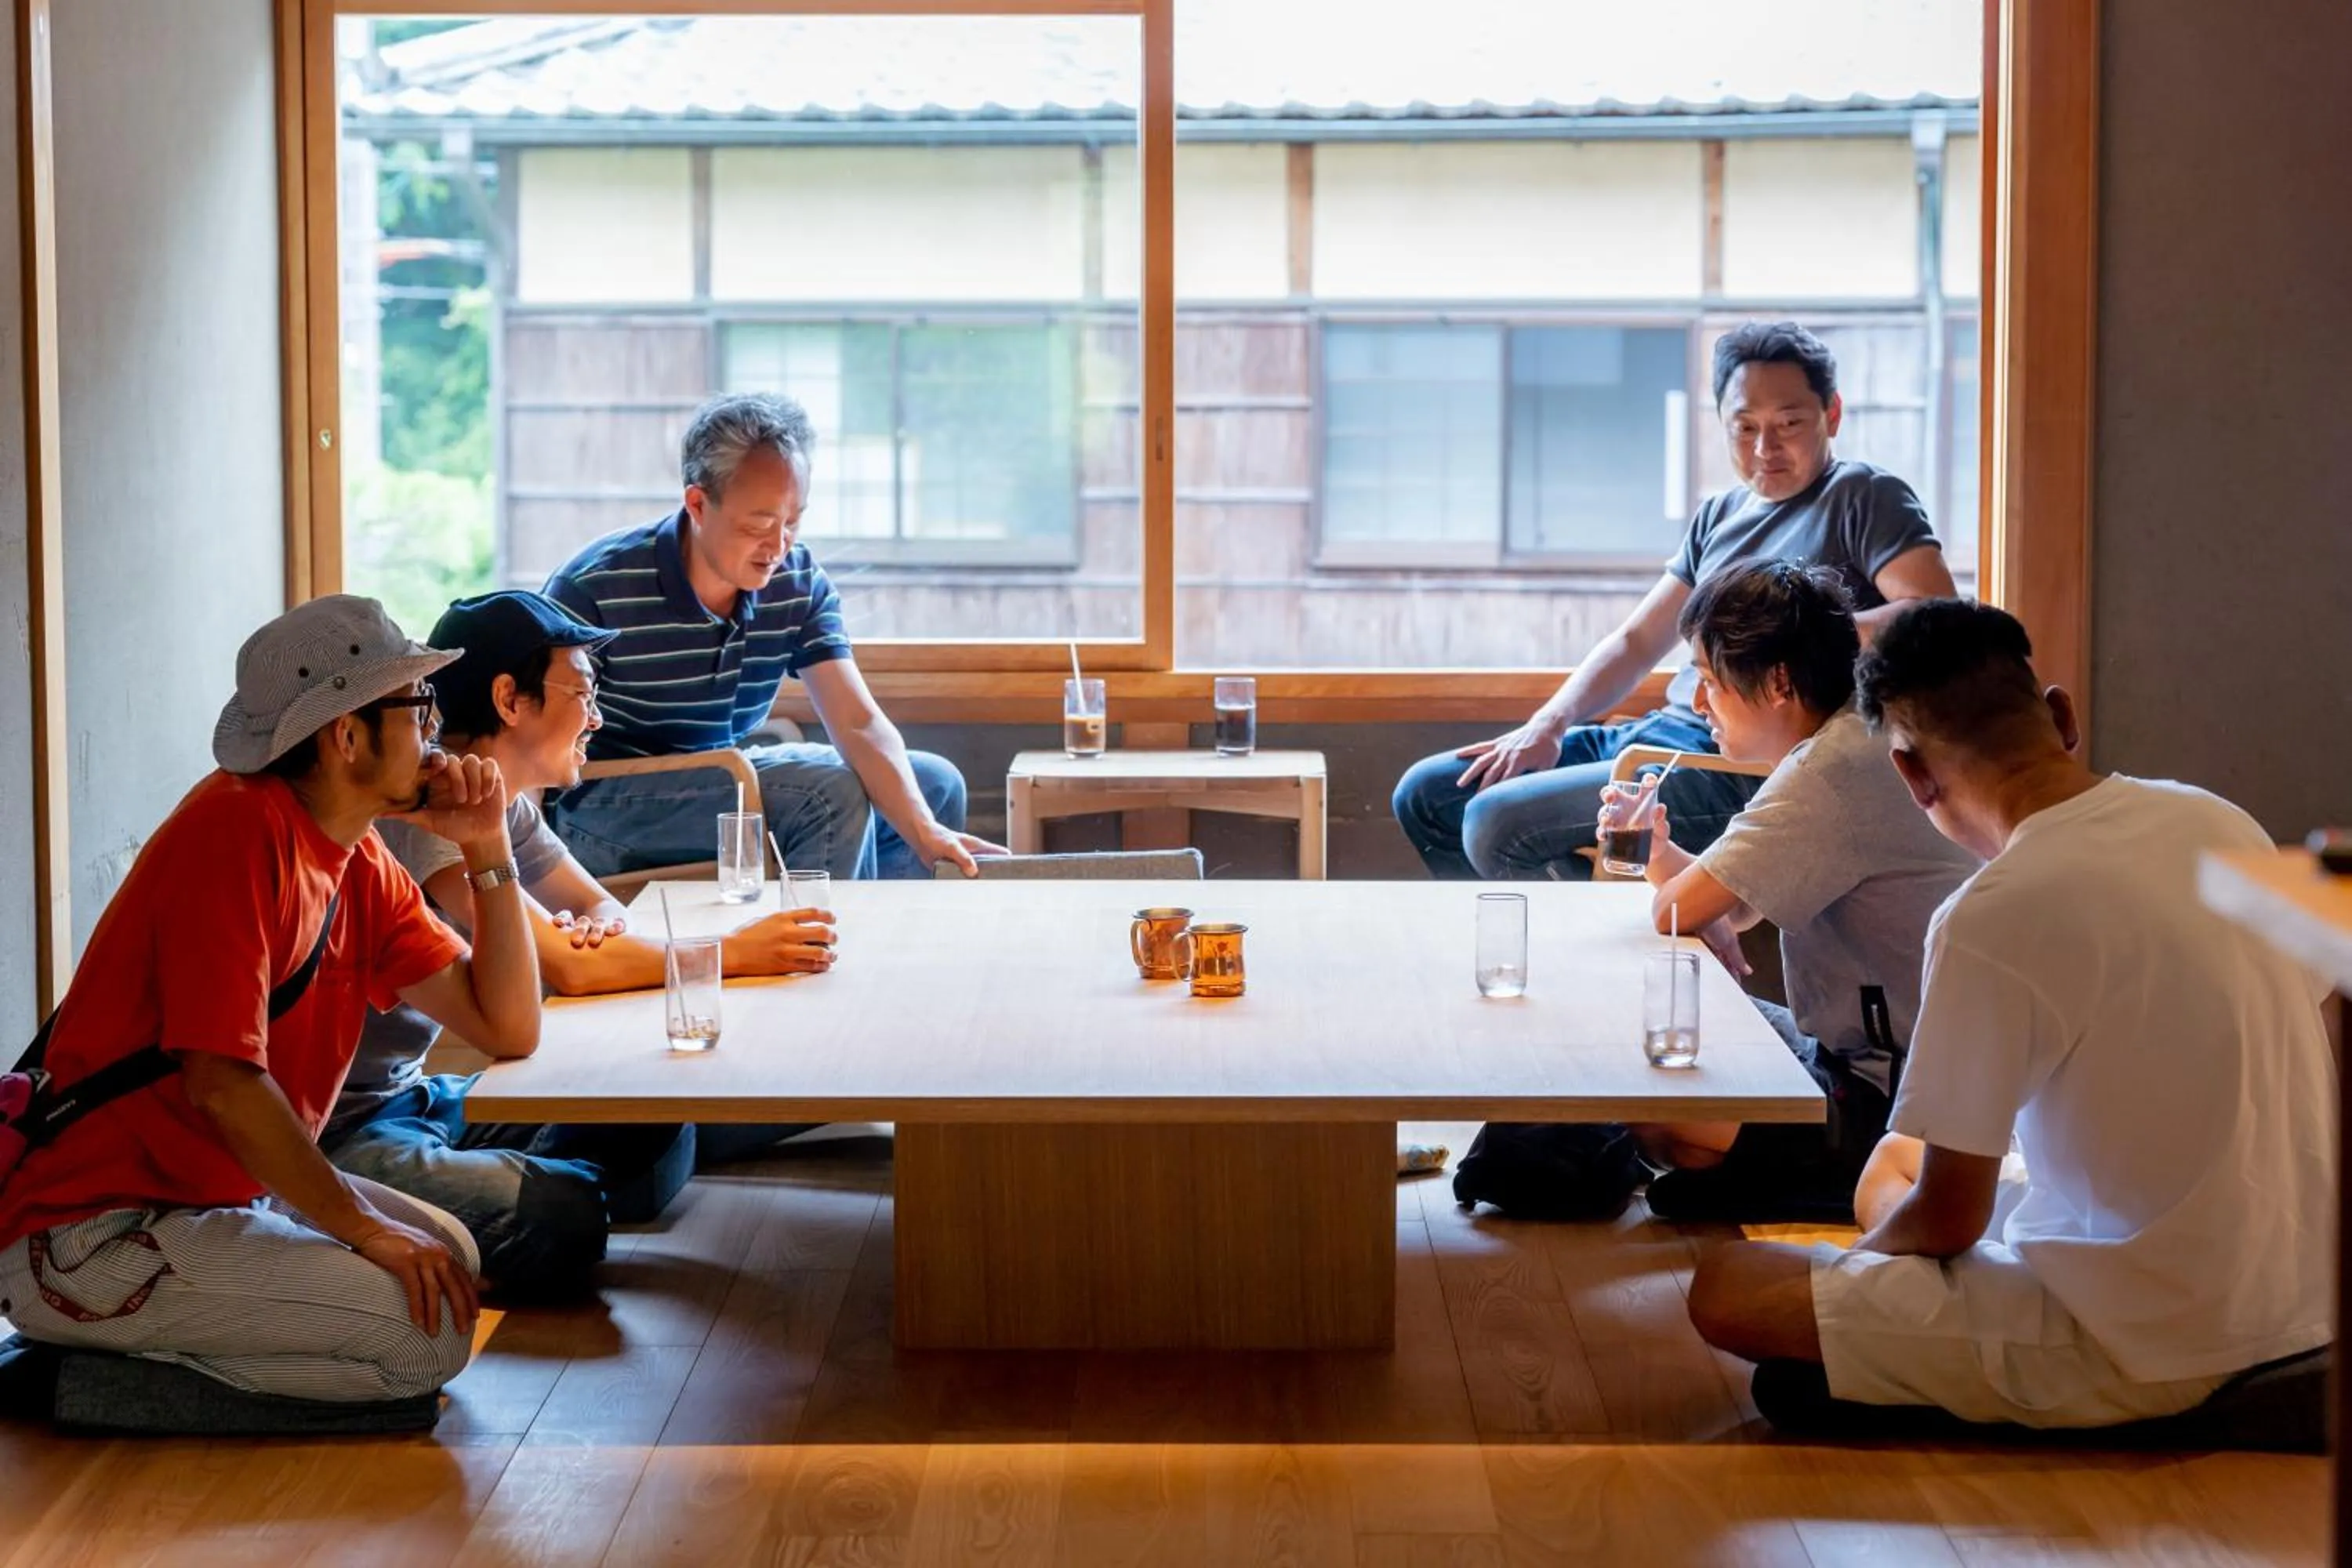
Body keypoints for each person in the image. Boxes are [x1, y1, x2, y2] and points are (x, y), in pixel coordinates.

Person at [1686, 601, 2336, 1428]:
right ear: (2061, 714)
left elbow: (1950, 1216)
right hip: (2304, 1288)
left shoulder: (1988, 912)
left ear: (1911, 774)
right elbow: (2318, 1011)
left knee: (1728, 1286)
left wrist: (1864, 1276)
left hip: (2144, 1331)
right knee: (1895, 1159)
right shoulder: (2219, 816)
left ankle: (2132, 1389)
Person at [0, 596, 541, 1402]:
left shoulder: (357, 856)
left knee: (450, 1261)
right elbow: (220, 1079)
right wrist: (358, 1227)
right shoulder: (236, 831)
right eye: (417, 706)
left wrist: (490, 846)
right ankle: (79, 1369)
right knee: (429, 1336)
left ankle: (139, 1344)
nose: (435, 731)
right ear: (346, 734)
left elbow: (507, 1024)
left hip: (219, 1194)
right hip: (96, 1227)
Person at [321, 590, 841, 1298]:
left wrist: (595, 936)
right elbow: (567, 969)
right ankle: (496, 1202)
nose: (597, 716)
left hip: (417, 1098)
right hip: (345, 1132)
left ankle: (511, 1190)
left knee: (649, 1125)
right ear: (510, 698)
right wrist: (734, 950)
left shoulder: (499, 803)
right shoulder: (426, 817)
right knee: (565, 1212)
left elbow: (596, 912)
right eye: (584, 691)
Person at [1392, 321, 1957, 880]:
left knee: (1495, 822)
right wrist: (1548, 724)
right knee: (1429, 795)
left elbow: (1934, 615)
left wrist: (1798, 634)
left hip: (1743, 762)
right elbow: (1638, 642)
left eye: (1789, 423)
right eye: (1745, 428)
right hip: (1665, 733)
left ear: (1831, 414)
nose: (1766, 448)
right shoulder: (1720, 515)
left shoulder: (1862, 496)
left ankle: (1556, 944)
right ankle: (1566, 913)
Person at [1598, 562, 1978, 1222]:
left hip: (1896, 1101)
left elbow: (1681, 908)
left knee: (1649, 1109)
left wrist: (1688, 896)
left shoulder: (1830, 773)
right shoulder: (1856, 736)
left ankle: (1839, 1183)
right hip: (1874, 1060)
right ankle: (1756, 1179)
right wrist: (1659, 853)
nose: (1697, 705)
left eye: (1710, 681)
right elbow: (1731, 904)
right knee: (1655, 1057)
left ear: (1777, 681)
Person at [542, 393, 1005, 882]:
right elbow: (529, 744)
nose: (779, 544)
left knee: (933, 786)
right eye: (760, 524)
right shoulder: (596, 587)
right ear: (698, 504)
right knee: (827, 793)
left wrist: (925, 830)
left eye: (793, 521)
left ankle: (884, 943)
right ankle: (829, 953)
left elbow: (858, 722)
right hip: (600, 801)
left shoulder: (796, 582)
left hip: (717, 773)